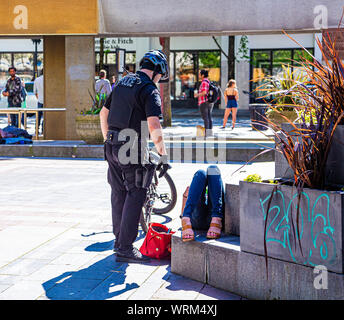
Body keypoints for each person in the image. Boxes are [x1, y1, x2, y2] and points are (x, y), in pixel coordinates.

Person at [99, 50, 170, 263]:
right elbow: (154, 124)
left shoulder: (122, 83)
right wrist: (163, 156)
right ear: (158, 71)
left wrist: (108, 139)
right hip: (131, 146)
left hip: (111, 143)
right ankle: (125, 248)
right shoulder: (149, 89)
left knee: (119, 192)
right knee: (137, 192)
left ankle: (118, 240)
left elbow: (103, 113)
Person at [181, 165, 224, 241]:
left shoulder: (214, 194)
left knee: (213, 169)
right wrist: (185, 196)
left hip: (211, 217)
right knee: (201, 173)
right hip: (196, 220)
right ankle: (186, 218)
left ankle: (216, 218)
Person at [194, 70, 214, 137]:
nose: (199, 75)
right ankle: (209, 132)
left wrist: (197, 95)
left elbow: (204, 92)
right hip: (208, 102)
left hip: (204, 102)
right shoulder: (208, 81)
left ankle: (207, 133)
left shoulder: (204, 82)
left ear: (202, 75)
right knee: (208, 117)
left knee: (206, 117)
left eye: (199, 74)